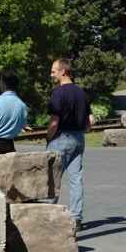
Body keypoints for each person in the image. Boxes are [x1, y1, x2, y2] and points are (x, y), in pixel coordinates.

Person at [44, 57, 95, 230]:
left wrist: (49, 137)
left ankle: (46, 215)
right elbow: (92, 120)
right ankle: (77, 217)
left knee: (52, 177)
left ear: (62, 71)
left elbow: (54, 121)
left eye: (53, 71)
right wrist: (82, 132)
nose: (51, 75)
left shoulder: (59, 93)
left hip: (61, 137)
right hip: (78, 138)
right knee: (76, 179)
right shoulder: (81, 93)